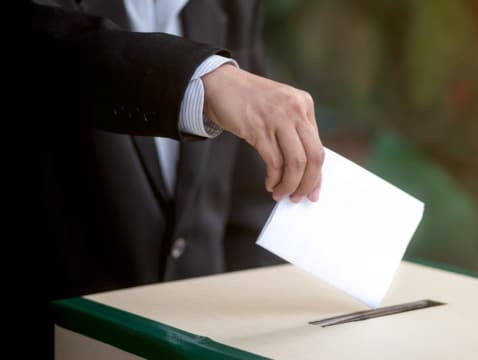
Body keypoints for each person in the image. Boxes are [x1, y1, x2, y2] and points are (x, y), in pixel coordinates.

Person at [24, 0, 324, 350]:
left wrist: (251, 332)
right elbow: (41, 45)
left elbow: (249, 197)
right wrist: (207, 80)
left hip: (204, 337)